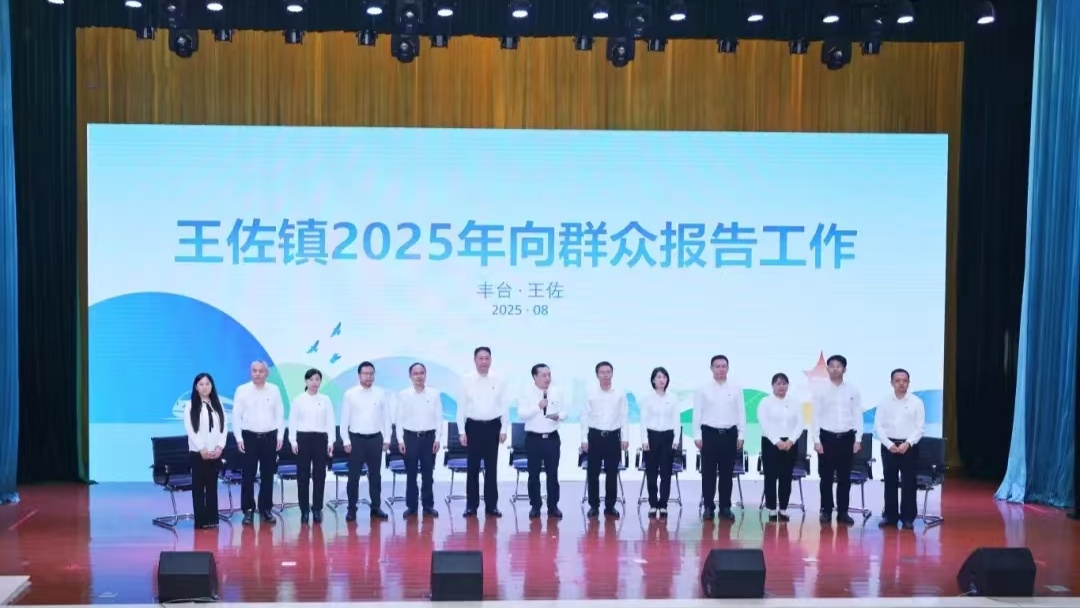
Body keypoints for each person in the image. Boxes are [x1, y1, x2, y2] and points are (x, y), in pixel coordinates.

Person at [693, 354, 746, 521]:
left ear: (728, 368)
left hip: (729, 435)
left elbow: (741, 412)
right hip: (709, 434)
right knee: (708, 474)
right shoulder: (702, 389)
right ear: (711, 369)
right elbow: (697, 413)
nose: (721, 369)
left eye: (724, 366)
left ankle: (725, 507)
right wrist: (697, 435)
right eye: (717, 366)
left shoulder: (736, 389)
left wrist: (741, 434)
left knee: (727, 474)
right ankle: (708, 507)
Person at [810, 354, 862, 526]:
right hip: (827, 438)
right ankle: (826, 510)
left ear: (844, 369)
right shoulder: (820, 391)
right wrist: (816, 440)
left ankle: (843, 512)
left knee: (844, 478)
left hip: (847, 438)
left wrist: (858, 439)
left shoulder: (852, 390)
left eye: (838, 366)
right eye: (831, 366)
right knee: (825, 478)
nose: (835, 369)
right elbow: (815, 416)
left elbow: (857, 414)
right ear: (827, 369)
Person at [457, 346, 508, 518]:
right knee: (472, 468)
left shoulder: (499, 379)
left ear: (491, 360)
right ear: (475, 360)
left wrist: (504, 429)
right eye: (480, 358)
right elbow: (461, 407)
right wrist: (461, 431)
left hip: (493, 427)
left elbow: (504, 406)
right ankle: (471, 506)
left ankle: (491, 506)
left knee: (491, 468)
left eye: (487, 358)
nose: (484, 362)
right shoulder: (466, 380)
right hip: (473, 427)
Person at [233, 360, 285, 525]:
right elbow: (236, 416)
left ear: (266, 373)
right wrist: (238, 438)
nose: (257, 374)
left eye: (261, 371)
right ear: (250, 372)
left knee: (268, 475)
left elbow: (280, 414)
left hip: (270, 437)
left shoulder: (274, 389)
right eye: (254, 370)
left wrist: (280, 436)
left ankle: (265, 509)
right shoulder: (242, 390)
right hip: (249, 437)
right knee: (248, 475)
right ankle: (248, 510)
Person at [340, 361, 392, 521]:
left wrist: (387, 438)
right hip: (356, 440)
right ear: (359, 375)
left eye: (371, 373)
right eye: (365, 374)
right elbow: (344, 420)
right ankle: (351, 509)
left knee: (375, 476)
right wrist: (346, 440)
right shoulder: (350, 394)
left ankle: (376, 507)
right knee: (353, 477)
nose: (368, 376)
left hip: (375, 439)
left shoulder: (381, 393)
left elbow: (387, 418)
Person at [874, 368, 925, 530]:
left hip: (909, 447)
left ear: (909, 382)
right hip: (889, 447)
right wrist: (889, 444)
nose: (901, 383)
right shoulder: (884, 402)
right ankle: (890, 516)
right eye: (898, 380)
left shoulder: (917, 402)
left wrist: (907, 443)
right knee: (890, 482)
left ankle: (908, 518)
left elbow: (920, 427)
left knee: (909, 482)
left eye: (905, 380)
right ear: (891, 383)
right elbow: (878, 426)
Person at [581, 361, 629, 519]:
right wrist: (584, 439)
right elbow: (584, 417)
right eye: (602, 372)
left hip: (613, 437)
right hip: (594, 437)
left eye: (608, 372)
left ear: (612, 374)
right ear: (597, 375)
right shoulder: (590, 392)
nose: (605, 375)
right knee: (592, 473)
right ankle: (593, 506)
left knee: (612, 473)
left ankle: (610, 506)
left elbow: (624, 416)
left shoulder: (619, 393)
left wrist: (625, 438)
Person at [395, 362, 443, 519]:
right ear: (410, 376)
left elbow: (439, 417)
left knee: (428, 474)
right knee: (411, 475)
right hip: (410, 438)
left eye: (422, 373)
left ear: (425, 374)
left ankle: (428, 506)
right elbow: (399, 418)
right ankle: (412, 507)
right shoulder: (403, 395)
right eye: (415, 373)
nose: (419, 376)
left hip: (429, 438)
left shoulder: (434, 394)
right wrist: (400, 440)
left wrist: (438, 438)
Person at [518, 363, 566, 519]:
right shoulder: (526, 392)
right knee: (534, 475)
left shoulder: (557, 391)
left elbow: (565, 411)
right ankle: (535, 506)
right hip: (534, 439)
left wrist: (559, 416)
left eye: (549, 375)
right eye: (544, 375)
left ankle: (553, 506)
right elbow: (522, 414)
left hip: (552, 438)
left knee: (553, 474)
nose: (547, 378)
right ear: (535, 376)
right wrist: (538, 407)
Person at [288, 368, 335, 524]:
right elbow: (292, 421)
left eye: (317, 379)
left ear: (320, 381)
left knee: (319, 475)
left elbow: (330, 421)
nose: (314, 383)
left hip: (320, 439)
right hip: (303, 438)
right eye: (311, 379)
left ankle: (317, 508)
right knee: (302, 476)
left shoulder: (325, 399)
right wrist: (293, 441)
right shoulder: (299, 400)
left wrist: (331, 441)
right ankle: (304, 510)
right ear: (306, 381)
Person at [757, 372, 803, 522]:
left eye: (784, 383)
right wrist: (777, 441)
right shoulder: (765, 402)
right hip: (770, 443)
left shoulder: (794, 402)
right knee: (770, 477)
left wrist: (791, 440)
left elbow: (800, 424)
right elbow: (764, 424)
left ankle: (783, 509)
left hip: (790, 444)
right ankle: (771, 509)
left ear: (788, 386)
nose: (781, 386)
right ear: (772, 386)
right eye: (778, 383)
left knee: (786, 477)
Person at [183, 373, 226, 529]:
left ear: (212, 386)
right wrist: (202, 448)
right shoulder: (190, 405)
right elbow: (191, 429)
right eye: (201, 384)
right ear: (196, 387)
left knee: (212, 487)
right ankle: (201, 520)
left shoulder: (218, 403)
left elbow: (224, 427)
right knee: (199, 488)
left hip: (215, 453)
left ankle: (212, 519)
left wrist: (220, 446)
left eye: (207, 384)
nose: (204, 387)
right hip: (198, 453)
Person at [639, 366, 682, 518]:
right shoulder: (647, 398)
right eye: (658, 377)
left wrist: (676, 439)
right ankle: (653, 504)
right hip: (652, 436)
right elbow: (643, 421)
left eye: (664, 377)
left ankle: (663, 504)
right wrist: (644, 440)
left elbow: (676, 420)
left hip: (668, 437)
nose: (662, 380)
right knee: (651, 473)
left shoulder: (673, 398)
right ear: (653, 380)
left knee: (665, 473)